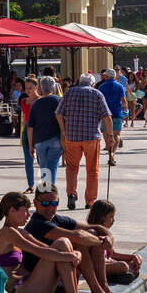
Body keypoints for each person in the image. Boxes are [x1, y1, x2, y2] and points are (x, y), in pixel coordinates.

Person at [0, 191, 93, 293]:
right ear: (12, 210)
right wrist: (70, 256)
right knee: (62, 243)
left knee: (63, 243)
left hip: (32, 287)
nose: (29, 215)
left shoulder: (21, 232)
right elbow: (40, 252)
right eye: (26, 210)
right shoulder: (6, 233)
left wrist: (74, 253)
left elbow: (47, 249)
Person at [22, 185, 123, 293]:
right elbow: (78, 236)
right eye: (45, 203)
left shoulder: (57, 219)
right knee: (67, 242)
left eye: (54, 203)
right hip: (43, 286)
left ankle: (102, 289)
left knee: (92, 233)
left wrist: (108, 236)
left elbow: (95, 227)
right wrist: (103, 243)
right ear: (35, 203)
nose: (50, 207)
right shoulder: (37, 224)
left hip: (61, 283)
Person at [55, 73, 114, 210]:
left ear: (79, 81)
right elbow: (108, 118)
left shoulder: (69, 92)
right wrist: (110, 136)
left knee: (71, 168)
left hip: (72, 137)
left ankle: (71, 193)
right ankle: (90, 201)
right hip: (91, 137)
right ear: (92, 84)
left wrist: (64, 130)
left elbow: (58, 114)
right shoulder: (97, 94)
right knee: (92, 170)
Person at [86, 201, 142, 284]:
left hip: (108, 262)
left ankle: (117, 276)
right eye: (111, 217)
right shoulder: (93, 234)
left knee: (135, 261)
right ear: (102, 217)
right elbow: (93, 260)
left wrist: (132, 257)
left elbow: (113, 254)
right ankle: (115, 275)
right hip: (97, 266)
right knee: (123, 266)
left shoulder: (107, 235)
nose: (114, 220)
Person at [27, 76, 62, 189]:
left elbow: (30, 126)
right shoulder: (58, 101)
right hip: (55, 139)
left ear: (40, 88)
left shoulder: (35, 104)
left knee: (44, 168)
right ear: (53, 87)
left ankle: (45, 191)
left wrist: (30, 145)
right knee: (52, 167)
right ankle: (49, 193)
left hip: (39, 140)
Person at [98, 68, 128, 165]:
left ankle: (109, 152)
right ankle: (112, 153)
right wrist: (125, 110)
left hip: (106, 114)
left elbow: (99, 101)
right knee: (117, 135)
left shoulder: (102, 86)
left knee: (107, 134)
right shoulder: (119, 86)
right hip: (117, 113)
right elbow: (124, 100)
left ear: (107, 76)